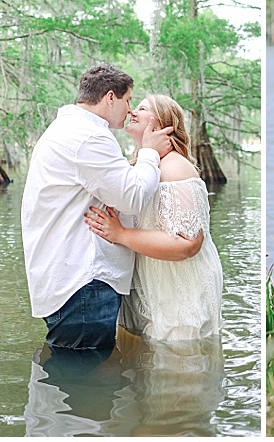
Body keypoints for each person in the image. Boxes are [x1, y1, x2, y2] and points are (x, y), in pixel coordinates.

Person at [21, 64, 174, 350]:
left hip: (69, 278)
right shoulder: (88, 138)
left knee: (75, 374)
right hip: (83, 281)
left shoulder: (67, 129)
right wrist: (150, 152)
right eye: (129, 100)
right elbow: (133, 196)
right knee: (82, 378)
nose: (130, 110)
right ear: (110, 97)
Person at [84, 94, 223, 341]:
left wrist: (121, 234)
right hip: (149, 285)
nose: (132, 112)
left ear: (162, 124)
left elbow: (188, 244)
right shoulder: (140, 166)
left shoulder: (175, 168)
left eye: (142, 108)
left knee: (179, 368)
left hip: (179, 287)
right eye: (133, 106)